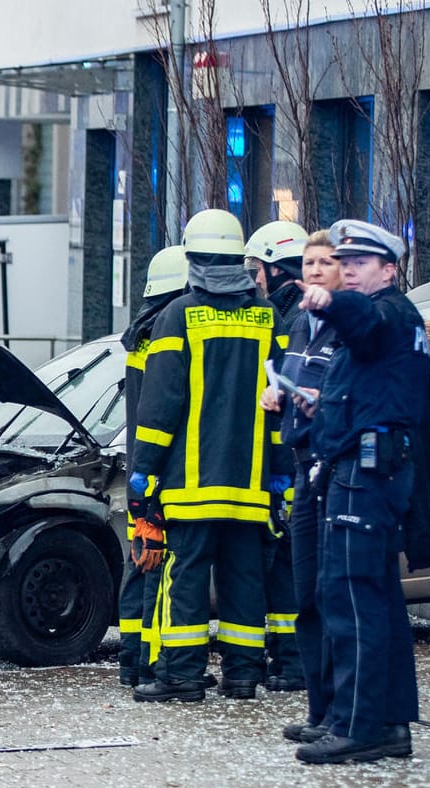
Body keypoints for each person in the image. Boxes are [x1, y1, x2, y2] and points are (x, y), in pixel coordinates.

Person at [293, 220, 430, 763]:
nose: (348, 270)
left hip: (366, 476)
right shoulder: (387, 319)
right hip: (363, 471)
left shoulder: (387, 313)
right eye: (343, 262)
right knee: (376, 600)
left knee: (352, 599)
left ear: (390, 270)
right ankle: (388, 723)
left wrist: (329, 300)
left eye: (360, 264)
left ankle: (358, 726)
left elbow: (365, 325)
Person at [129, 209, 281, 703]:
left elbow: (160, 408)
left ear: (192, 258)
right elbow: (282, 402)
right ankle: (242, 676)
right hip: (252, 481)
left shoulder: (179, 315)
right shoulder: (268, 316)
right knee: (244, 577)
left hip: (191, 482)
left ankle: (183, 676)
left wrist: (144, 475)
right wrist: (280, 473)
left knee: (186, 576)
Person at [267, 232, 346, 742]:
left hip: (333, 468)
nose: (314, 270)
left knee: (331, 594)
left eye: (326, 262)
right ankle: (320, 711)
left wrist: (323, 400)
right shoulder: (301, 323)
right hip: (302, 464)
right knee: (307, 597)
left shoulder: (349, 325)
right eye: (309, 262)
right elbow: (293, 379)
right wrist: (278, 394)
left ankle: (340, 712)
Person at [119, 244, 188, 689]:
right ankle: (148, 663)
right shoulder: (166, 336)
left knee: (140, 564)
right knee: (158, 571)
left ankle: (132, 662)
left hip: (140, 472)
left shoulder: (138, 336)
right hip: (160, 472)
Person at [246, 220, 310, 693]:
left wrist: (280, 476)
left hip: (290, 465)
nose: (254, 279)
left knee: (286, 566)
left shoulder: (287, 321)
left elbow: (283, 406)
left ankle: (292, 662)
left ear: (276, 267)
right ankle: (290, 659)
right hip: (292, 464)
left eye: (258, 269)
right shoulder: (290, 317)